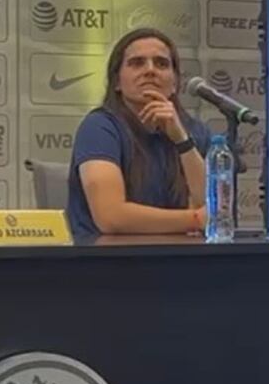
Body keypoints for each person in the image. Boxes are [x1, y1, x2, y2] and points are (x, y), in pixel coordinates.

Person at [67, 27, 212, 240]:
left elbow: (213, 210)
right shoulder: (99, 127)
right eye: (137, 63)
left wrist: (182, 141)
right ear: (116, 81)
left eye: (161, 64)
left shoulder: (194, 131)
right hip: (110, 264)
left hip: (182, 262)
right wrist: (194, 219)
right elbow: (110, 217)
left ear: (174, 84)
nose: (150, 70)